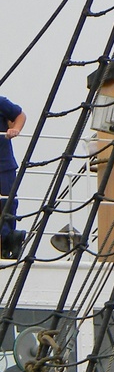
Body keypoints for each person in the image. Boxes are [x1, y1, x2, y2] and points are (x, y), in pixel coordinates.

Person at [0, 95, 25, 259]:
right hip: (5, 165)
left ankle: (8, 241)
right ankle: (9, 238)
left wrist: (15, 129)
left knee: (7, 205)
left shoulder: (1, 102)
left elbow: (20, 115)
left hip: (3, 165)